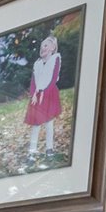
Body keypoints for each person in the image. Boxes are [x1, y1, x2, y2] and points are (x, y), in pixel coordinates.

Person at [23, 35, 65, 163]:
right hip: (37, 95)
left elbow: (53, 78)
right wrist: (34, 94)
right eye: (41, 47)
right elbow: (33, 81)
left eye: (45, 45)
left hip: (49, 93)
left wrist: (44, 93)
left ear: (52, 48)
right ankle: (32, 152)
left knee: (49, 123)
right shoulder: (37, 64)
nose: (43, 48)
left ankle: (49, 149)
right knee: (36, 124)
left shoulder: (55, 59)